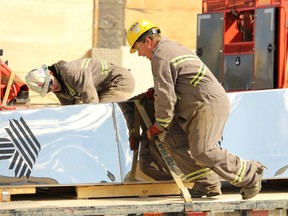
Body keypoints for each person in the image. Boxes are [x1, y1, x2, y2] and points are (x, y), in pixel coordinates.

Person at [126, 19, 265, 199]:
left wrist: (158, 126)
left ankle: (251, 174)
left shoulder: (161, 54)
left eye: (138, 48)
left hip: (206, 104)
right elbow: (172, 85)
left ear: (147, 41)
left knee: (203, 150)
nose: (139, 55)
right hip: (197, 104)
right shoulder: (169, 48)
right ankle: (206, 184)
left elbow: (165, 96)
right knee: (173, 141)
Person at [25, 57, 135, 105]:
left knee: (102, 115)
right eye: (48, 90)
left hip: (119, 81)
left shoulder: (71, 71)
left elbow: (90, 98)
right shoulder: (61, 91)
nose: (53, 88)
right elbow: (72, 111)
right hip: (104, 88)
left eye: (50, 84)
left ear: (50, 73)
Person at [119, 87, 173, 181]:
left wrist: (158, 92)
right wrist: (132, 130)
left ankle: (190, 181)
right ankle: (177, 183)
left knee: (160, 149)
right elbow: (126, 105)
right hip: (146, 107)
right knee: (145, 164)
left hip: (162, 107)